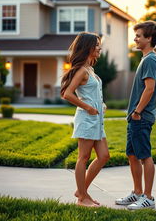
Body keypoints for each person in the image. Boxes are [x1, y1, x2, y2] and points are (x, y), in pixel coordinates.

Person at [115, 21, 156, 210]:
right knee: (132, 155)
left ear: (149, 38)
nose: (135, 38)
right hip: (135, 117)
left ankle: (148, 197)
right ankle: (136, 192)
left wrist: (137, 112)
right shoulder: (146, 59)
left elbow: (149, 89)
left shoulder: (150, 59)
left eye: (138, 35)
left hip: (141, 117)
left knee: (144, 156)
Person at [61, 32, 110, 207]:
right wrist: (88, 107)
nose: (99, 48)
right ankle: (82, 198)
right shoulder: (81, 70)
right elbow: (67, 94)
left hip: (97, 120)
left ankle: (81, 191)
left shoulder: (90, 69)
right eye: (97, 45)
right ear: (88, 47)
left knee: (104, 156)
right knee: (83, 157)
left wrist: (100, 104)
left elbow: (91, 94)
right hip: (87, 119)